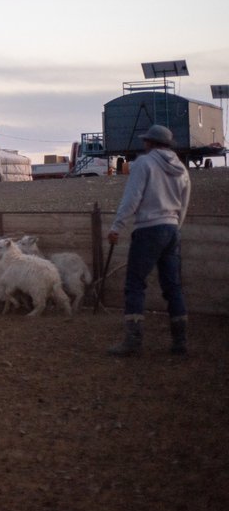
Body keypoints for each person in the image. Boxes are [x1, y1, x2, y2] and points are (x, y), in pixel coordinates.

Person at [106, 124, 191, 356]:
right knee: (172, 286)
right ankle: (180, 341)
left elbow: (132, 199)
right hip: (172, 229)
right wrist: (175, 227)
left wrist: (117, 226)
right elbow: (184, 204)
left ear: (150, 143)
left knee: (135, 284)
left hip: (148, 229)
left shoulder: (144, 163)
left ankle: (133, 341)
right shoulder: (181, 168)